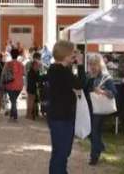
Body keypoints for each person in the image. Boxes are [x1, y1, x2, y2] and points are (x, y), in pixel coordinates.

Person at [47, 41, 85, 174]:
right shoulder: (62, 71)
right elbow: (80, 84)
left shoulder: (55, 69)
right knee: (62, 152)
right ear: (66, 54)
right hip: (61, 117)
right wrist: (80, 64)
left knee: (61, 151)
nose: (74, 55)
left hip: (59, 116)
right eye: (73, 52)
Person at [85, 54, 117, 166]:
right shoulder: (89, 76)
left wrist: (102, 92)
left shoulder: (106, 77)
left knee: (94, 131)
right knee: (91, 132)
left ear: (100, 65)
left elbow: (114, 93)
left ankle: (94, 156)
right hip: (90, 108)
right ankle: (100, 147)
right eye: (91, 64)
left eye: (95, 64)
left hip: (100, 109)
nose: (93, 67)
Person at [1, 48, 25, 121]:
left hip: (10, 84)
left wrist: (2, 83)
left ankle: (15, 116)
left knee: (13, 100)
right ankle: (12, 115)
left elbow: (3, 74)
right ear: (18, 55)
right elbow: (24, 74)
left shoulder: (8, 64)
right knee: (13, 100)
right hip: (19, 85)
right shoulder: (21, 64)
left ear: (11, 54)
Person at [26, 52, 44, 120]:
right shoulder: (32, 72)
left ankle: (29, 114)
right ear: (34, 65)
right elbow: (38, 79)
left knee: (31, 101)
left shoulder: (32, 71)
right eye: (37, 66)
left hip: (31, 88)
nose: (38, 67)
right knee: (31, 102)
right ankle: (29, 115)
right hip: (32, 88)